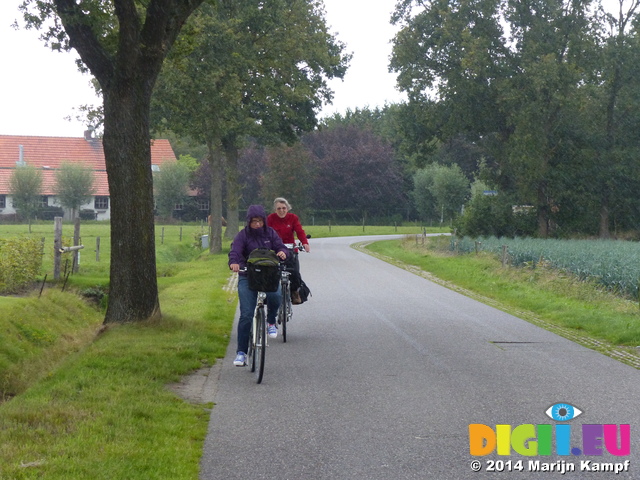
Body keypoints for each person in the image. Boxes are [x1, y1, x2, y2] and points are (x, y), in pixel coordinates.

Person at [229, 205, 288, 367]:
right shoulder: (242, 235)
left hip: (269, 275)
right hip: (248, 276)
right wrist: (234, 262)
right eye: (254, 221)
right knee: (246, 314)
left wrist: (283, 252)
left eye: (260, 221)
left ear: (264, 221)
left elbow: (280, 246)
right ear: (248, 222)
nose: (257, 224)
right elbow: (235, 251)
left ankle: (270, 322)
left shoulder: (270, 234)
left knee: (276, 296)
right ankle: (241, 352)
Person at [267, 197, 310, 304]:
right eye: (279, 209)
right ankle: (270, 293)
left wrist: (304, 243)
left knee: (294, 272)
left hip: (290, 249)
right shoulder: (270, 218)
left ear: (287, 208)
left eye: (284, 208)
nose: (281, 211)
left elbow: (299, 231)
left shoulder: (293, 218)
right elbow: (266, 233)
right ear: (275, 210)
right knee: (270, 272)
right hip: (275, 250)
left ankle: (295, 291)